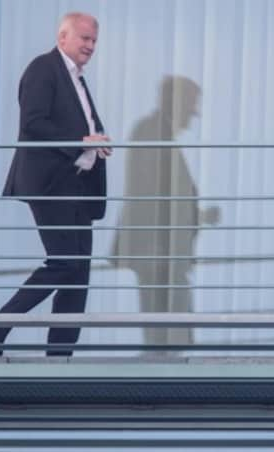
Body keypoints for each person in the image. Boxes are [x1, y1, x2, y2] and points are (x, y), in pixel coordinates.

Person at [0, 12, 111, 357]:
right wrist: (84, 140)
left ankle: (59, 358)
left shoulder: (76, 78)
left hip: (77, 187)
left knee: (78, 274)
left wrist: (96, 144)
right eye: (85, 39)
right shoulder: (43, 68)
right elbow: (33, 123)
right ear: (63, 37)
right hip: (51, 185)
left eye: (94, 40)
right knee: (64, 262)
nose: (91, 46)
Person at [111, 76, 219, 350]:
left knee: (172, 331)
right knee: (167, 333)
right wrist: (157, 246)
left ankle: (166, 376)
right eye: (191, 106)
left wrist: (199, 215)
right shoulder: (151, 133)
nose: (193, 116)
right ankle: (162, 382)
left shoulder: (157, 133)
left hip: (163, 253)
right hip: (158, 254)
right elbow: (146, 192)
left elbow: (164, 196)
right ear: (177, 103)